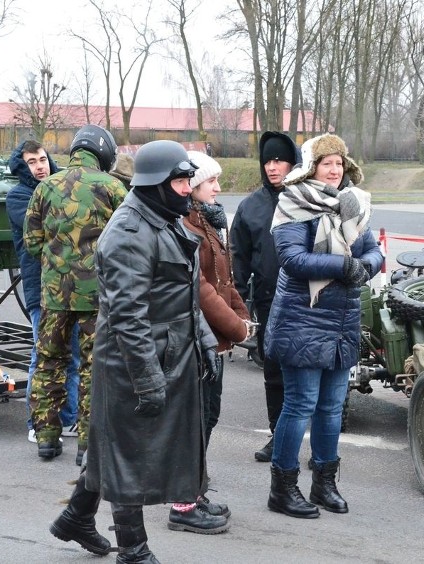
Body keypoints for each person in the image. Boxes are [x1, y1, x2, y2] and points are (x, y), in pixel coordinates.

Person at [50, 140, 227, 562]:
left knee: (113, 447)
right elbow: (129, 317)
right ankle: (135, 550)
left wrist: (203, 344)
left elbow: (182, 292)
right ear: (156, 183)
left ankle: (76, 517)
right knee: (127, 455)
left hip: (164, 353)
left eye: (189, 180)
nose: (188, 188)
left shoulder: (162, 218)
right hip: (133, 360)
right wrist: (148, 379)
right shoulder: (130, 232)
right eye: (181, 181)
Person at [264, 133, 383, 519]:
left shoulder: (352, 204)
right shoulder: (293, 201)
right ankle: (282, 489)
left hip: (342, 319)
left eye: (339, 163)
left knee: (332, 407)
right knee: (300, 405)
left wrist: (368, 265)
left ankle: (324, 484)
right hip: (302, 317)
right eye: (326, 162)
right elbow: (292, 259)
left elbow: (373, 250)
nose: (334, 170)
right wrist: (345, 266)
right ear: (311, 166)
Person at [24, 125, 128, 464]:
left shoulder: (45, 187)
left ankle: (47, 440)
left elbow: (31, 242)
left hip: (54, 296)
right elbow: (127, 240)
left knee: (49, 363)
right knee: (92, 367)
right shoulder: (113, 187)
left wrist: (57, 262)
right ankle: (87, 445)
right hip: (97, 296)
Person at [177, 150, 254, 529]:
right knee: (194, 422)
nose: (219, 188)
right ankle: (183, 504)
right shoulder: (186, 228)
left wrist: (242, 315)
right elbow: (201, 289)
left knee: (208, 416)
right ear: (191, 187)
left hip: (214, 342)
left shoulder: (207, 223)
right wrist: (237, 327)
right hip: (196, 341)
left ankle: (195, 489)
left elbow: (226, 280)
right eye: (212, 182)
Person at [229, 131, 299, 462]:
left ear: (293, 162)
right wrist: (238, 306)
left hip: (307, 302)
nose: (272, 167)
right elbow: (238, 260)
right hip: (270, 302)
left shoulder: (308, 200)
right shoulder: (250, 208)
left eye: (279, 160)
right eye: (267, 161)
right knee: (274, 375)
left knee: (310, 375)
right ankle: (278, 436)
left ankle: (322, 445)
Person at [6, 140, 81, 445]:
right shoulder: (18, 198)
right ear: (23, 167)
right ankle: (37, 424)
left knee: (73, 357)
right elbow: (54, 228)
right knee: (44, 356)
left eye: (42, 159)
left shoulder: (62, 188)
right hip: (42, 289)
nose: (39, 166)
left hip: (73, 287)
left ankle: (68, 420)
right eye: (32, 162)